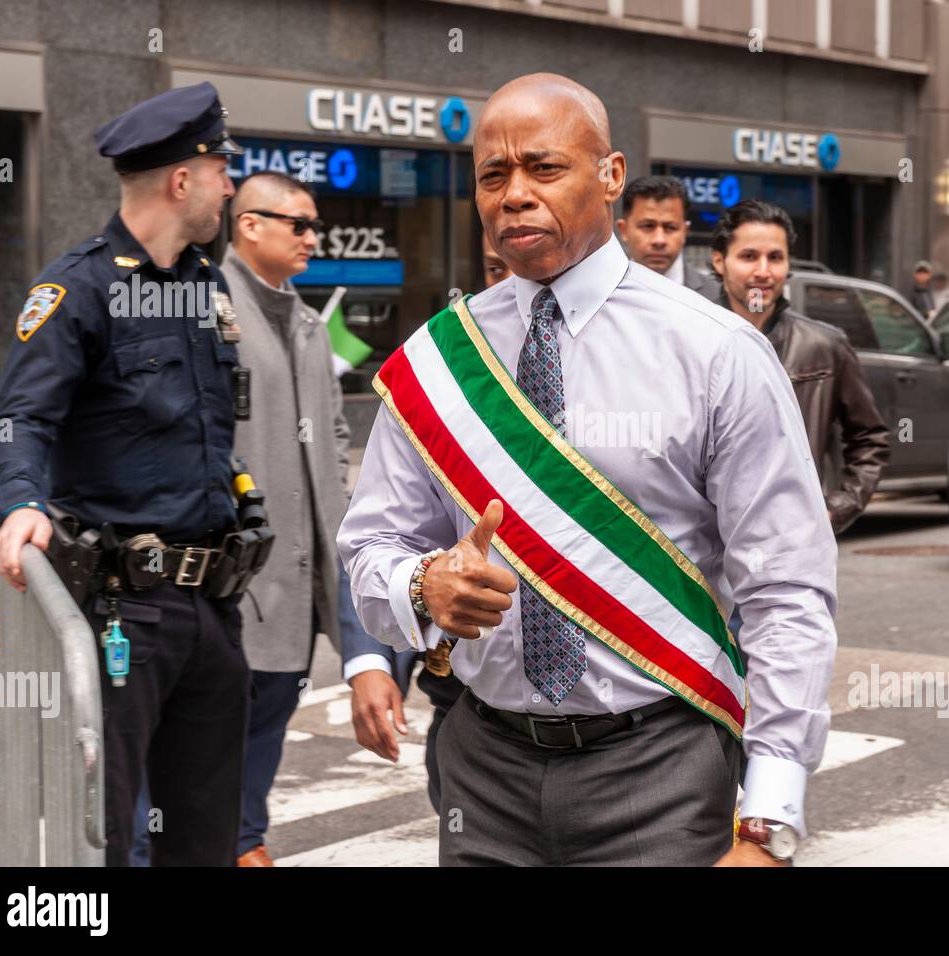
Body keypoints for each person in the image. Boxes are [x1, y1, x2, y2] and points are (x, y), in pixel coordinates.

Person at [339, 72, 837, 867]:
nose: (515, 195)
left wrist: (769, 820)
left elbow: (786, 588)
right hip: (482, 767)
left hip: (661, 767)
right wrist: (422, 586)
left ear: (610, 177)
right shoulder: (434, 361)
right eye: (493, 176)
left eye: (544, 168)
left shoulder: (716, 352)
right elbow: (371, 547)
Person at [0, 83, 254, 866]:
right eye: (221, 171)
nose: (229, 188)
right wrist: (22, 502)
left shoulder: (206, 284)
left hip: (213, 605)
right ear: (183, 180)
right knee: (99, 834)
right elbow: (21, 419)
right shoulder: (77, 290)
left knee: (204, 840)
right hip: (123, 613)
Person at [218, 171, 390, 866]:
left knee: (267, 726)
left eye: (315, 225)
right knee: (212, 736)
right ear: (249, 224)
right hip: (232, 580)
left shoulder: (310, 324)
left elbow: (334, 434)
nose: (313, 237)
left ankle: (244, 837)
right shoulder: (206, 310)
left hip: (302, 579)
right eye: (299, 224)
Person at [341, 235, 511, 813]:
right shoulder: (436, 369)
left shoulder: (678, 352)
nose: (512, 278)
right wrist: (373, 657)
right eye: (495, 267)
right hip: (470, 709)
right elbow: (380, 535)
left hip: (646, 732)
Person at [709, 199, 889, 534]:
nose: (763, 271)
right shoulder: (692, 340)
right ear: (720, 261)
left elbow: (869, 438)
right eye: (749, 256)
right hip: (707, 540)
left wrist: (837, 508)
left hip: (796, 539)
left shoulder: (825, 345)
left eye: (775, 257)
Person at [615, 174, 719, 297]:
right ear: (624, 230)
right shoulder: (602, 292)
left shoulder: (717, 297)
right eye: (647, 226)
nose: (659, 240)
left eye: (671, 227)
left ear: (685, 232)